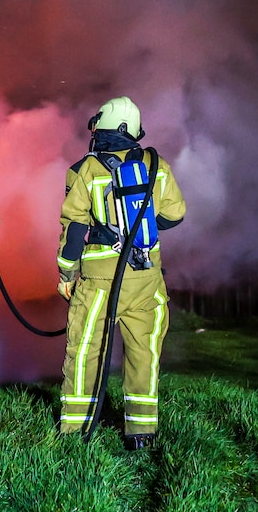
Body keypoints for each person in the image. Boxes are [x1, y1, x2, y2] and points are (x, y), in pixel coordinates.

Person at [56, 96, 186, 450]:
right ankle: (140, 434)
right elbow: (176, 213)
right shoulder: (157, 166)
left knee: (85, 349)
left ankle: (76, 430)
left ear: (103, 128)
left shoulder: (85, 170)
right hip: (147, 278)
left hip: (100, 279)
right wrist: (142, 232)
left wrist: (67, 274)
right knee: (144, 353)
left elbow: (73, 228)